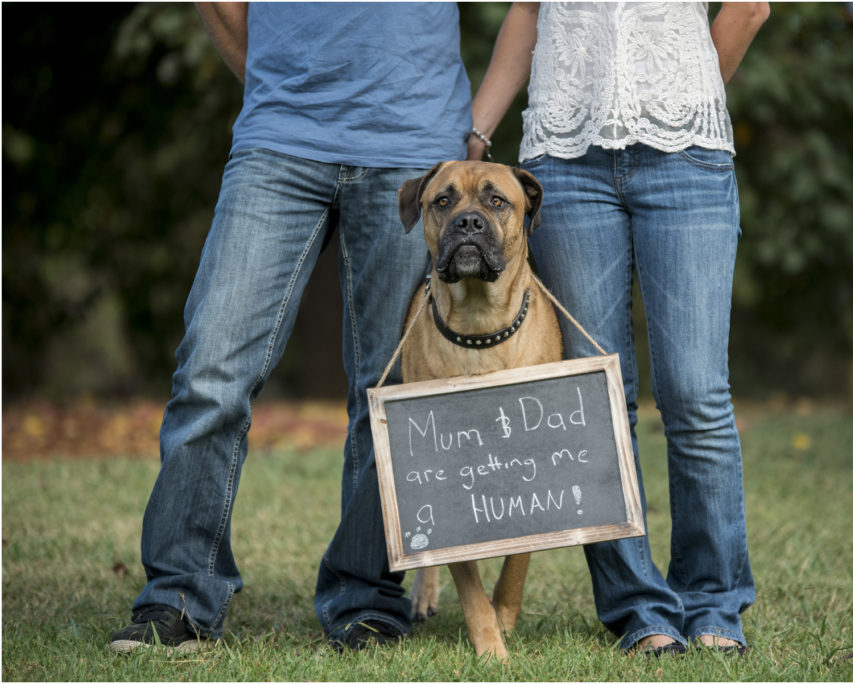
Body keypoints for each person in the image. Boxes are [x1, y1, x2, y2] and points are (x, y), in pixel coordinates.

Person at [110, 2, 473, 654]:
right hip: (279, 138)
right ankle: (180, 597)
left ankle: (367, 600)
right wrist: (277, 79)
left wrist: (481, 125)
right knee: (211, 364)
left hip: (414, 143)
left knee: (390, 390)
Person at [467, 2, 769, 654]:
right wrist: (476, 131)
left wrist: (680, 99)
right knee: (595, 399)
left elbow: (749, 8)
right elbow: (528, 11)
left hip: (686, 157)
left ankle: (711, 602)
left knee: (695, 393)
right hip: (565, 160)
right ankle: (640, 608)